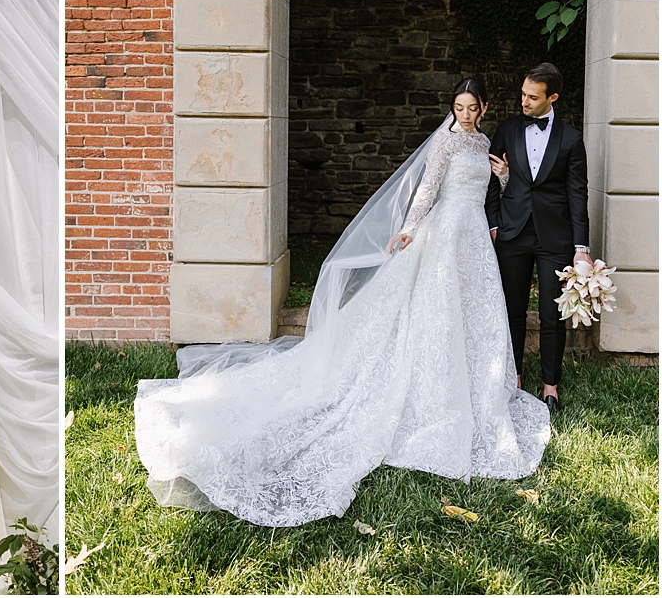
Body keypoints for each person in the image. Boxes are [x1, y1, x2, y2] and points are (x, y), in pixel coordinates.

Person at [135, 77, 551, 527]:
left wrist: (504, 177)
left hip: (474, 238)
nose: (464, 114)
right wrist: (411, 228)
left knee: (475, 314)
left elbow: (491, 192)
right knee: (437, 315)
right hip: (445, 233)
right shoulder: (446, 144)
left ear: (484, 108)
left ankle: (479, 388)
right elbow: (428, 190)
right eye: (458, 107)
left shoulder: (484, 143)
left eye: (471, 107)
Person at [485, 62, 590, 413]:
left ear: (553, 97)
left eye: (532, 97)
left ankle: (550, 386)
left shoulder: (572, 139)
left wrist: (581, 248)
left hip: (554, 237)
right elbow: (488, 180)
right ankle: (513, 377)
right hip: (511, 232)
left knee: (551, 313)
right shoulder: (508, 129)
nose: (524, 102)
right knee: (512, 309)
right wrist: (494, 224)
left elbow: (578, 195)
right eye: (523, 95)